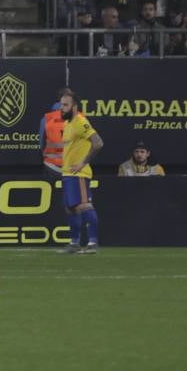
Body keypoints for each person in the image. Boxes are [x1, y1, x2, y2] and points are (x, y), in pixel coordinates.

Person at [59, 89, 103, 254]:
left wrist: (83, 163)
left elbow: (98, 143)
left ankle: (92, 243)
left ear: (74, 106)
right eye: (61, 104)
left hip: (79, 174)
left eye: (65, 105)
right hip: (68, 173)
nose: (62, 108)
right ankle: (75, 243)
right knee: (70, 208)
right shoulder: (67, 123)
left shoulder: (80, 122)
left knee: (85, 205)